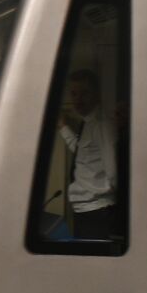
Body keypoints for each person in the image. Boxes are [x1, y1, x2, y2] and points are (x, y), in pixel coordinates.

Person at [57, 69, 118, 240]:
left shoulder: (102, 124)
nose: (78, 99)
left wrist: (107, 193)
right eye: (74, 94)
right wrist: (63, 127)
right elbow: (82, 154)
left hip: (98, 212)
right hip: (86, 210)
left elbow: (113, 169)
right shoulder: (88, 123)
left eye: (84, 93)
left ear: (96, 94)